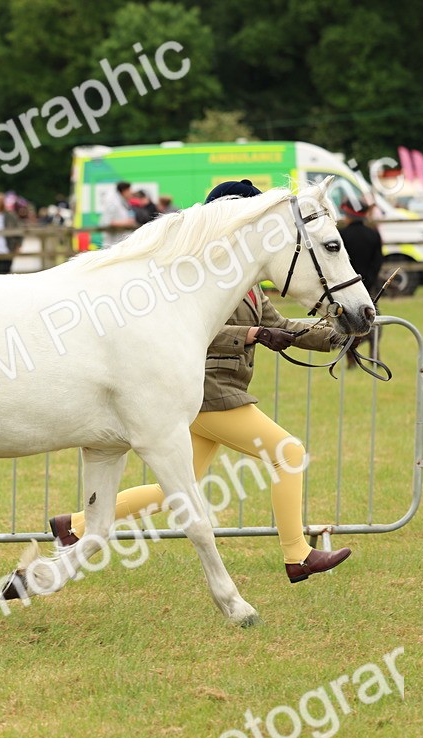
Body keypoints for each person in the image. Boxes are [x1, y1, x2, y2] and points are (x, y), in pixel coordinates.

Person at [42, 180, 354, 584]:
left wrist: (336, 334)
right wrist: (250, 335)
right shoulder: (193, 279)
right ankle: (298, 555)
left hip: (223, 391)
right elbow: (192, 331)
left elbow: (279, 326)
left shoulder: (246, 285)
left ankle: (75, 526)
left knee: (173, 490)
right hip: (209, 392)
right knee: (288, 454)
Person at [339, 201, 384, 366]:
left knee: (348, 323)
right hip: (368, 287)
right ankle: (374, 354)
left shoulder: (341, 235)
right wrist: (369, 281)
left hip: (346, 287)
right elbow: (378, 261)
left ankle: (351, 358)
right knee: (373, 320)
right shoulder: (373, 234)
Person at [99, 181, 138, 245]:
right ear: (123, 191)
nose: (131, 192)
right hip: (113, 243)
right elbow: (107, 222)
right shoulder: (112, 203)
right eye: (129, 190)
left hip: (122, 241)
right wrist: (125, 223)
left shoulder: (124, 203)